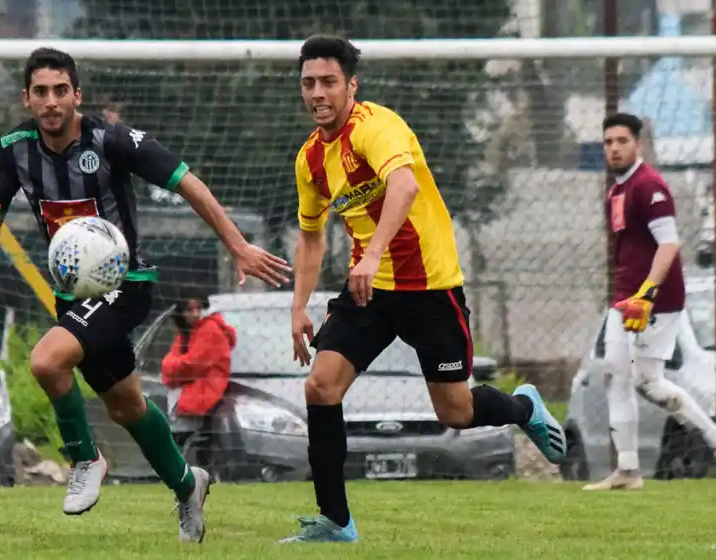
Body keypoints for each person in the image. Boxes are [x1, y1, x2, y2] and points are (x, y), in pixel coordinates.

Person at [0, 47, 291, 542]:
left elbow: (188, 182)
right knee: (126, 407)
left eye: (61, 91)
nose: (52, 101)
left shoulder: (112, 140)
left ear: (77, 94)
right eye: (41, 92)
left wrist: (238, 244)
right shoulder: (15, 149)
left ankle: (84, 459)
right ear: (27, 98)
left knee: (46, 361)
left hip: (128, 284)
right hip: (74, 296)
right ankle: (189, 485)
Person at [281, 35, 566, 544]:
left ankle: (524, 408)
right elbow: (310, 237)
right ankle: (336, 522)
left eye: (328, 82)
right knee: (320, 386)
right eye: (308, 83)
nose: (318, 93)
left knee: (454, 410)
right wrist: (299, 306)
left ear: (351, 85)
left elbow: (404, 186)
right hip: (369, 294)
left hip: (430, 287)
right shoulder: (309, 160)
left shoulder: (378, 126)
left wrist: (371, 254)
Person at [583, 112, 716, 491]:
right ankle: (627, 470)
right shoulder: (616, 190)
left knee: (647, 381)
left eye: (622, 141)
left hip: (654, 300)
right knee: (618, 375)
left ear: (637, 144)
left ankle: (712, 438)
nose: (614, 148)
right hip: (625, 297)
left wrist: (648, 292)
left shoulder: (649, 186)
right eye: (608, 142)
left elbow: (670, 244)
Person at [161, 294, 236, 474]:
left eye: (198, 308)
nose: (195, 313)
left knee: (185, 436)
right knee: (183, 435)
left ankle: (184, 471)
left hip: (206, 390)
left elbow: (193, 364)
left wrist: (171, 368)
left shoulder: (209, 329)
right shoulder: (188, 333)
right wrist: (172, 367)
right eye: (189, 309)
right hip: (195, 389)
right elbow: (177, 362)